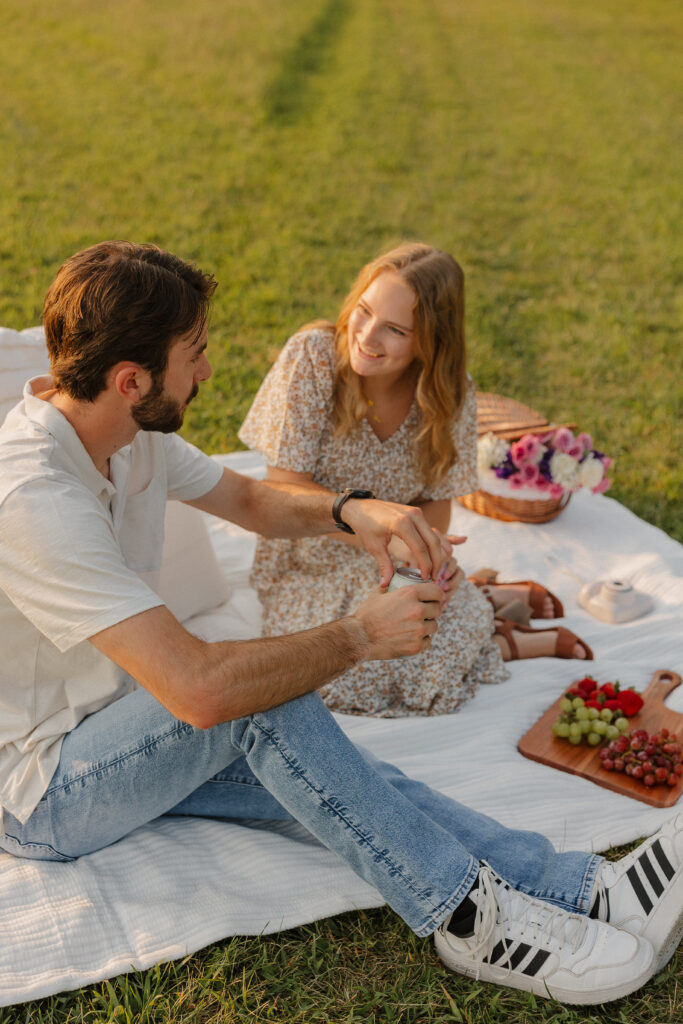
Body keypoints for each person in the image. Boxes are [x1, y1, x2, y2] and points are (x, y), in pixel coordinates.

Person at [0, 241, 680, 1007]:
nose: (207, 373)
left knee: (350, 779)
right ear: (133, 380)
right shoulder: (35, 500)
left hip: (121, 725)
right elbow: (197, 691)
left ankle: (582, 888)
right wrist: (360, 635)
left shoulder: (127, 433)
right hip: (43, 788)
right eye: (194, 355)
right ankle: (472, 923)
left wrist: (356, 511)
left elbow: (252, 501)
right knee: (260, 700)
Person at [239, 243, 592, 717]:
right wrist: (389, 540)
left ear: (430, 340)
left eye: (395, 330)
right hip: (312, 551)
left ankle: (486, 611)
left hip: (399, 553)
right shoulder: (313, 358)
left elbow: (436, 502)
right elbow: (282, 489)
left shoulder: (450, 393)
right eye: (363, 311)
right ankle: (499, 633)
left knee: (433, 615)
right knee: (346, 670)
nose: (366, 336)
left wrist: (429, 553)